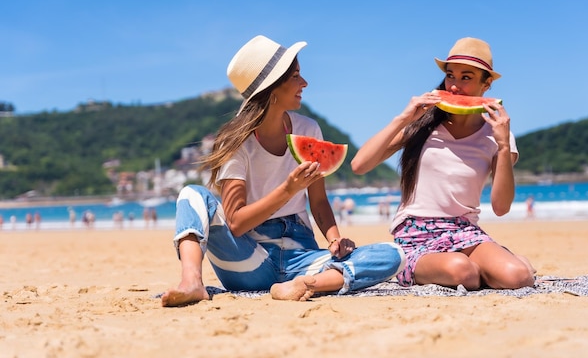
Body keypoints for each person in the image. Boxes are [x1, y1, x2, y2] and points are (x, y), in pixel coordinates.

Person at [162, 35, 405, 307]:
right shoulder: (236, 143)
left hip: (302, 259)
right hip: (249, 259)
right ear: (272, 88)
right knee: (191, 195)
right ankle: (192, 281)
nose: (305, 83)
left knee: (393, 254)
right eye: (296, 76)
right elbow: (236, 222)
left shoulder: (308, 129)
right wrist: (287, 191)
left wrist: (335, 239)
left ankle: (304, 285)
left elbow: (319, 201)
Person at [351, 37, 535, 291]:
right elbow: (359, 165)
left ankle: (502, 263)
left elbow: (501, 207)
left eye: (466, 77)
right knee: (463, 271)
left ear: (487, 83)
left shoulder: (498, 135)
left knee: (518, 278)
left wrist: (503, 147)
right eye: (451, 76)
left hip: (464, 230)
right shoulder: (421, 125)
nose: (455, 86)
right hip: (416, 232)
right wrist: (403, 118)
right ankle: (433, 266)